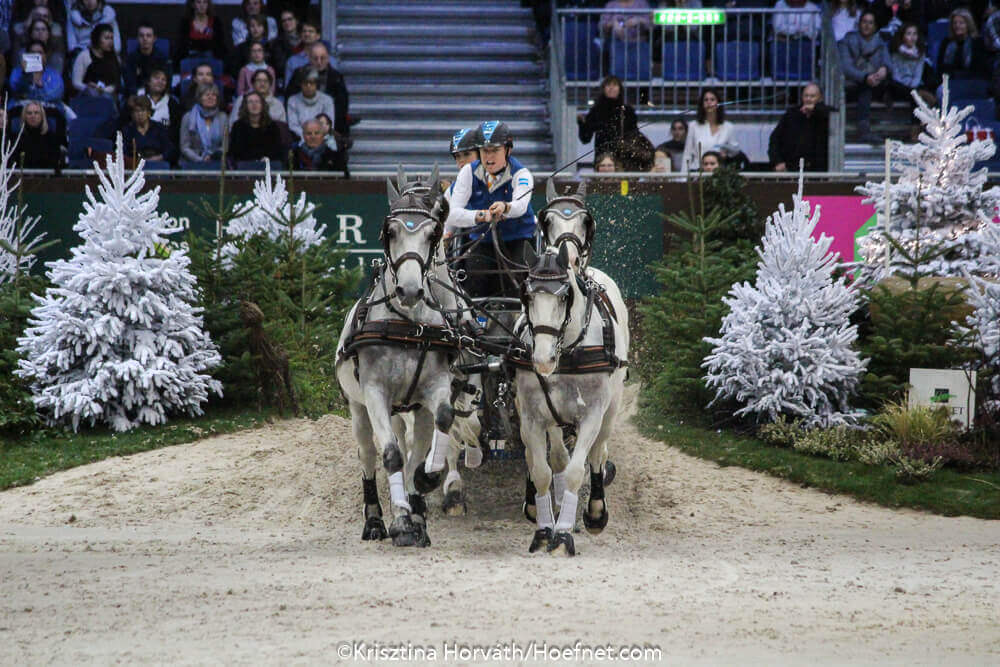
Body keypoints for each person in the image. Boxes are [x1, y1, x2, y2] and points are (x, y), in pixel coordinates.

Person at [445, 120, 537, 299]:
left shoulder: (522, 174)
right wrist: (482, 215)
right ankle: (475, 315)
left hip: (518, 239)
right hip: (482, 239)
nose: (489, 157)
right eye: (484, 151)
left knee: (518, 280)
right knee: (473, 277)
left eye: (495, 150)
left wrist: (505, 207)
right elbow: (453, 214)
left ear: (508, 150)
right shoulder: (467, 172)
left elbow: (520, 206)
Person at [838, 10, 890, 142]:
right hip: (852, 85)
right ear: (859, 24)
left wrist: (884, 69)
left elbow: (888, 63)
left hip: (876, 83)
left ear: (875, 26)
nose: (867, 25)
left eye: (870, 23)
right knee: (865, 88)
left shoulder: (880, 43)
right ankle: (864, 131)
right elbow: (846, 67)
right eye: (864, 22)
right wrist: (865, 77)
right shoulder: (847, 41)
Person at [288, 42, 349, 136]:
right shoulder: (299, 74)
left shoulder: (336, 77)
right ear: (309, 58)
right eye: (315, 58)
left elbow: (342, 106)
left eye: (322, 58)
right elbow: (291, 96)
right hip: (302, 124)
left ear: (328, 58)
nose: (319, 62)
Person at [768, 82, 830, 172]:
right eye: (806, 96)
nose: (808, 99)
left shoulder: (826, 115)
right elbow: (775, 139)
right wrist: (777, 161)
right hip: (792, 167)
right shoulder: (791, 114)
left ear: (820, 98)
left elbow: (834, 112)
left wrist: (815, 109)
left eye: (812, 96)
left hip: (818, 169)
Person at [577, 74, 637, 160]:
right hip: (602, 160)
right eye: (608, 85)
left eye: (614, 85)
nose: (611, 88)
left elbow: (634, 136)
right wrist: (582, 124)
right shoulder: (596, 110)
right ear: (603, 89)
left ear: (620, 89)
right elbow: (585, 139)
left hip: (623, 158)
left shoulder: (628, 111)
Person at [682, 88, 737, 172]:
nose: (709, 102)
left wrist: (726, 154)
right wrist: (683, 176)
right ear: (702, 104)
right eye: (706, 100)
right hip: (697, 171)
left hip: (719, 173)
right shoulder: (693, 126)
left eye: (712, 99)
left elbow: (735, 150)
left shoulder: (728, 126)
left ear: (718, 103)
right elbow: (687, 154)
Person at [228, 91, 285, 165]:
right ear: (245, 106)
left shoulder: (272, 126)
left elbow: (277, 150)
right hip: (244, 166)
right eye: (250, 102)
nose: (254, 104)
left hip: (268, 165)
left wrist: (266, 159)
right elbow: (234, 152)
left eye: (257, 101)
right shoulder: (237, 126)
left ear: (262, 105)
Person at [889, 23, 937, 109]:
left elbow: (918, 75)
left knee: (921, 89)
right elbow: (896, 76)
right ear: (902, 36)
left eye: (915, 34)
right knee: (893, 86)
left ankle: (918, 96)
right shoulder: (896, 54)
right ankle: (918, 94)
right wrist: (909, 88)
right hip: (900, 85)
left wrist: (912, 87)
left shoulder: (920, 53)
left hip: (915, 85)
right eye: (909, 34)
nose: (912, 37)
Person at [180, 82, 227, 166]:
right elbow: (184, 147)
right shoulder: (188, 117)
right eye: (207, 95)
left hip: (216, 162)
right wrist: (200, 159)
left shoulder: (223, 117)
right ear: (199, 98)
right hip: (192, 163)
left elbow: (225, 144)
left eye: (214, 95)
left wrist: (213, 157)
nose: (210, 97)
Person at [937, 9, 989, 82]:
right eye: (955, 23)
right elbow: (941, 68)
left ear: (968, 25)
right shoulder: (946, 42)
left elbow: (980, 69)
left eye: (961, 23)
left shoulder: (977, 42)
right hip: (950, 80)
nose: (957, 26)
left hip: (972, 80)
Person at [71, 23, 120, 100]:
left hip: (107, 96)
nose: (110, 41)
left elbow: (115, 84)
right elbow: (76, 82)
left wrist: (103, 90)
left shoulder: (114, 57)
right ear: (97, 38)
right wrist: (88, 88)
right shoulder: (84, 56)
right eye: (106, 38)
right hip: (86, 95)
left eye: (111, 38)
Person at [121, 94, 175, 164]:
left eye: (143, 110)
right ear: (132, 114)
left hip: (158, 164)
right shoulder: (127, 130)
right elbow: (124, 153)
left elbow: (170, 150)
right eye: (136, 111)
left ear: (149, 112)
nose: (140, 114)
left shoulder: (159, 128)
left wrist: (157, 158)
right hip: (135, 165)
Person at [139, 68, 182, 150]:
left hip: (162, 149)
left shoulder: (173, 104)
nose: (160, 81)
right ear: (148, 81)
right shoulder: (138, 98)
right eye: (156, 78)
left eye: (163, 79)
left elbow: (175, 134)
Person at [285, 68, 334, 138]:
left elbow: (329, 125)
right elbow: (293, 126)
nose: (308, 86)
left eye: (312, 82)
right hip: (300, 138)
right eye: (305, 83)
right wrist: (308, 137)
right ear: (300, 84)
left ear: (317, 84)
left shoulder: (327, 100)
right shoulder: (293, 100)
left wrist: (317, 137)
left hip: (323, 138)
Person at [11, 101, 61, 169]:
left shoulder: (52, 139)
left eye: (36, 113)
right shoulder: (17, 139)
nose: (33, 116)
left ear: (42, 116)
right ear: (24, 116)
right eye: (29, 113)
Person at [124, 22, 168, 96]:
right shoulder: (130, 59)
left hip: (157, 95)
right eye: (141, 36)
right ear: (137, 38)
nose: (145, 39)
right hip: (137, 95)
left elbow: (165, 83)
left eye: (148, 36)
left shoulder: (162, 58)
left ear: (154, 39)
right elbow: (129, 84)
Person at [282, 19, 323, 87]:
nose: (307, 34)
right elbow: (288, 87)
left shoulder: (328, 60)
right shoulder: (292, 61)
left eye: (311, 31)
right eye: (304, 31)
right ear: (301, 35)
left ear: (318, 36)